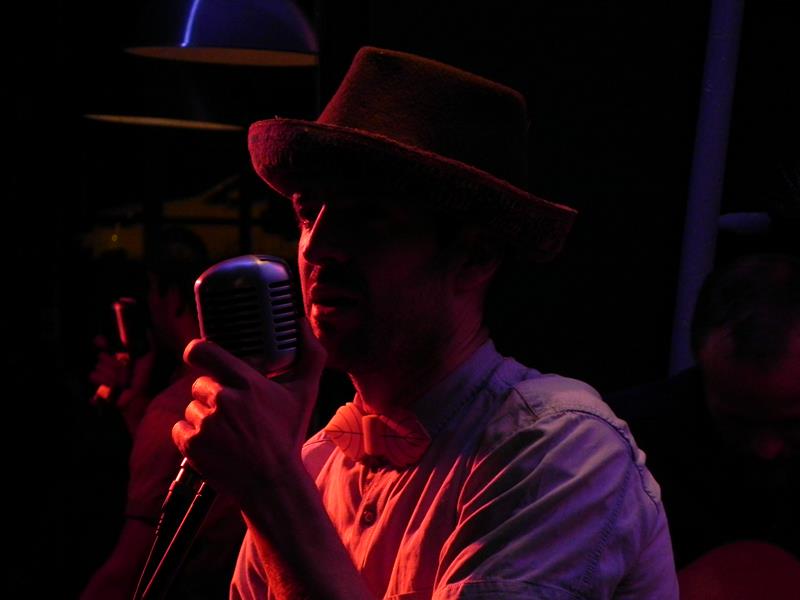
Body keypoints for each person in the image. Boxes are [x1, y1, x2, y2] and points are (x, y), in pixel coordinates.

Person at [172, 47, 679, 598]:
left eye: (368, 215)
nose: (317, 247)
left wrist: (271, 485)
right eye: (307, 212)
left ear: (476, 255)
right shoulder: (315, 465)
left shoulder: (559, 448)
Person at [81, 227, 246, 599]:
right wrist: (133, 406)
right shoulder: (253, 388)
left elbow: (128, 570)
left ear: (171, 297)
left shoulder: (172, 410)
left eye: (152, 293)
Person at [607, 252, 800, 569]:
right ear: (701, 366)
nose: (768, 449)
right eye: (738, 422)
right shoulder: (617, 446)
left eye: (792, 423)